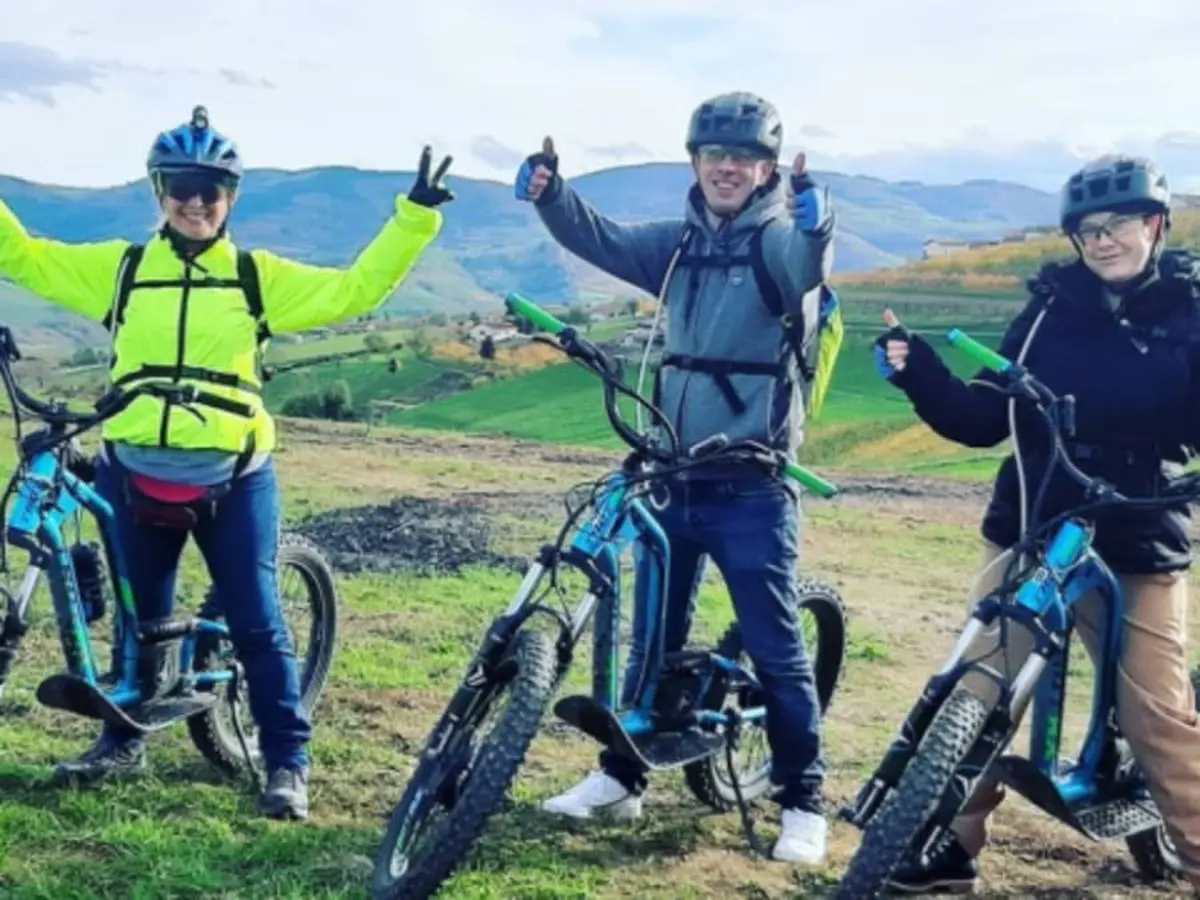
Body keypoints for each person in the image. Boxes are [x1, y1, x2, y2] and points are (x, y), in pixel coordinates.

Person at [0, 105, 453, 819]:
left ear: (231, 197)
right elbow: (20, 254)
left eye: (212, 187)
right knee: (136, 619)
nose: (196, 200)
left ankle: (286, 762)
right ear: (159, 190)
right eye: (182, 184)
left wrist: (412, 218)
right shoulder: (119, 272)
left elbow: (353, 292)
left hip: (231, 477)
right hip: (133, 469)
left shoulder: (252, 277)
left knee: (256, 620)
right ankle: (123, 743)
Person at [515, 91, 837, 864]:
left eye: (744, 158)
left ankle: (805, 802)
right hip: (672, 475)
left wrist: (816, 219)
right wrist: (553, 195)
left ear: (766, 171)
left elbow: (808, 264)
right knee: (652, 640)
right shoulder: (678, 246)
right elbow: (602, 238)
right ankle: (623, 780)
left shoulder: (779, 243)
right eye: (714, 155)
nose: (727, 168)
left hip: (752, 484)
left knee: (775, 646)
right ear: (696, 162)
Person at [874, 153, 1200, 894]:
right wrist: (918, 371)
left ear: (1154, 225)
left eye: (1118, 224)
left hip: (1137, 533)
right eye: (1087, 230)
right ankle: (949, 851)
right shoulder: (1051, 309)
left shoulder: (1191, 313)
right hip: (1035, 522)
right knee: (977, 691)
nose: (1103, 240)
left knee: (1154, 712)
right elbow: (984, 417)